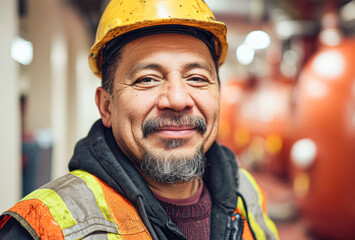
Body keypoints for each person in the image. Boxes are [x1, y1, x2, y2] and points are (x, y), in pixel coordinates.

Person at [0, 0, 279, 239]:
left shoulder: (247, 193)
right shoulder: (41, 227)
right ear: (106, 106)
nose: (178, 100)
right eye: (147, 79)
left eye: (197, 78)